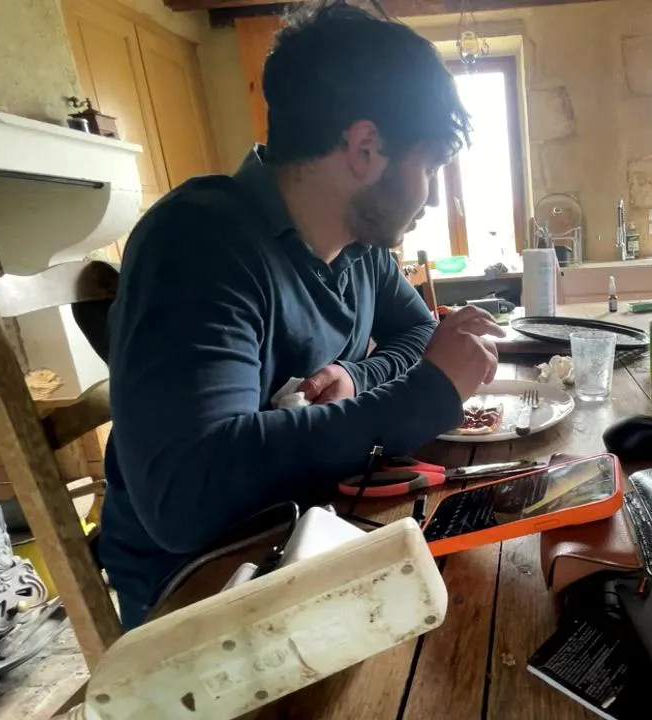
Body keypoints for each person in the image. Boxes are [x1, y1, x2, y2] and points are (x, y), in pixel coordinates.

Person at [98, 2, 502, 628]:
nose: (429, 195)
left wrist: (356, 376)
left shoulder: (361, 247)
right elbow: (186, 495)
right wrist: (424, 395)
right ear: (365, 147)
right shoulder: (200, 242)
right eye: (429, 166)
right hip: (201, 587)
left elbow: (416, 331)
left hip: (315, 523)